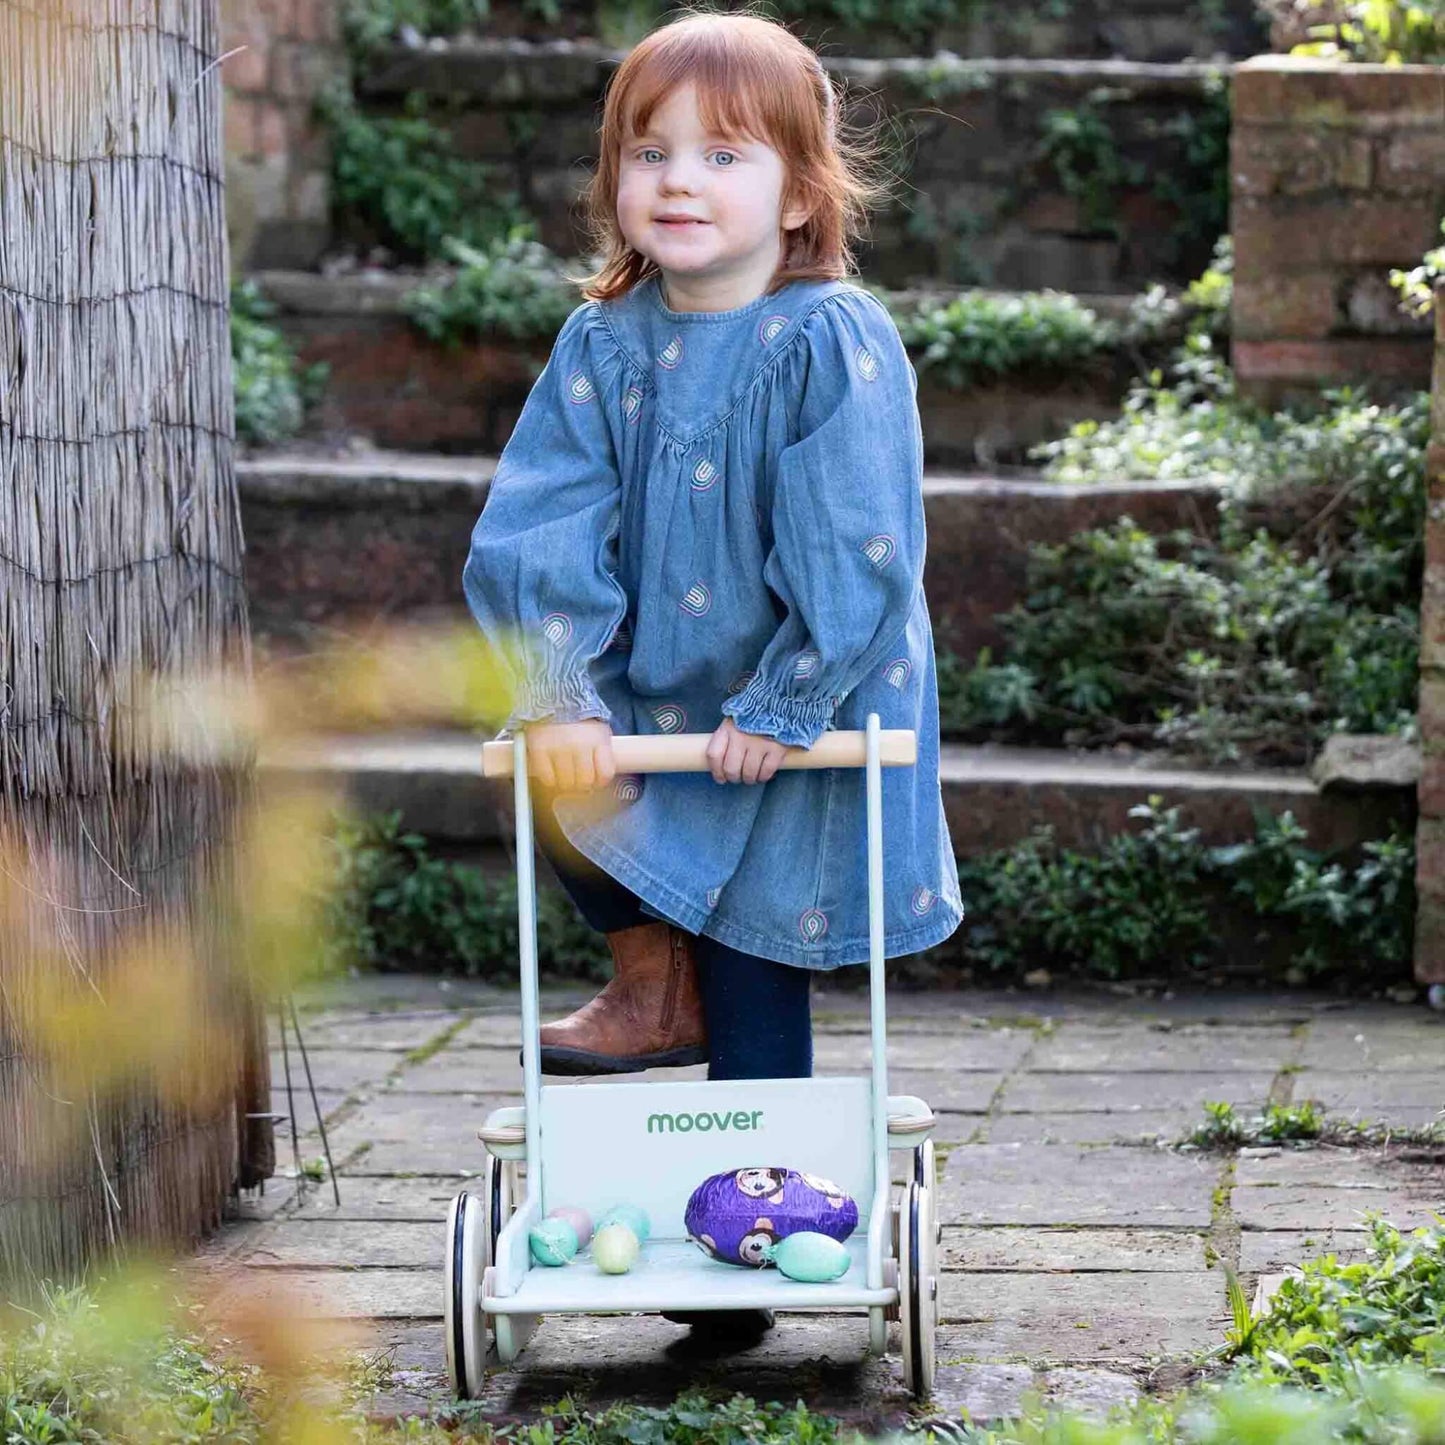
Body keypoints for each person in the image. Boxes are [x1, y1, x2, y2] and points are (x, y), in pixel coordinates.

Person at [462, 9, 963, 1090]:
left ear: (795, 195)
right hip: (653, 684)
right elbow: (542, 512)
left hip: (795, 697)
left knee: (753, 938)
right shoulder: (602, 340)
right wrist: (562, 688)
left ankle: (764, 1180)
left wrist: (787, 696)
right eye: (651, 153)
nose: (678, 180)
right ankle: (651, 984)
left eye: (721, 153)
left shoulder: (828, 336)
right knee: (552, 773)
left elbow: (857, 540)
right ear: (614, 181)